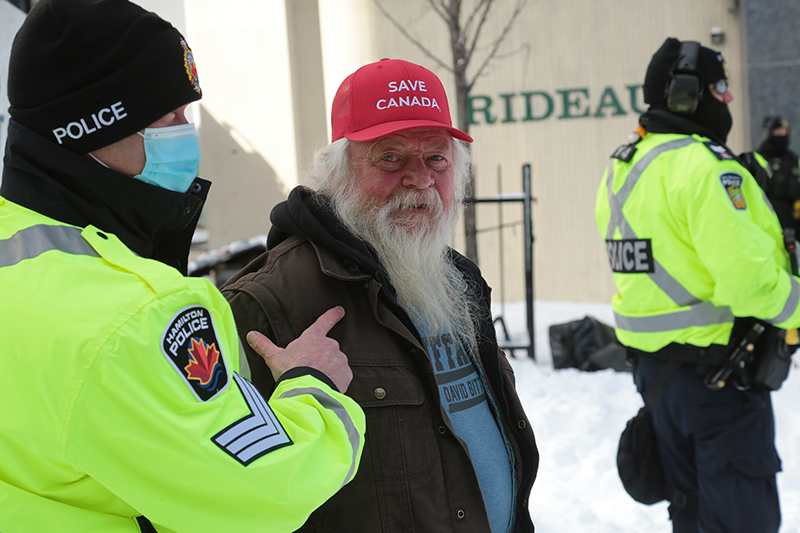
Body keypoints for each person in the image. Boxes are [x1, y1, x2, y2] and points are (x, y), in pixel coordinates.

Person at [0, 1, 365, 531]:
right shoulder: (135, 319)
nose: (186, 131)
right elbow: (262, 492)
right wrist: (312, 386)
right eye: (169, 116)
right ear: (92, 129)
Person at [221, 58, 539, 532]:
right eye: (391, 158)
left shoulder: (456, 280)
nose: (420, 178)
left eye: (437, 158)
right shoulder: (267, 303)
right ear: (337, 173)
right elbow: (234, 499)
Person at [595, 37, 800, 532]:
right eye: (720, 86)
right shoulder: (706, 168)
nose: (728, 98)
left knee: (689, 509)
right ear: (689, 94)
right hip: (718, 381)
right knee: (740, 520)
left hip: (658, 376)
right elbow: (750, 285)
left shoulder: (623, 169)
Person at [755, 116, 800, 234]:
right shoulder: (757, 159)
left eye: (784, 132)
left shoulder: (794, 160)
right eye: (777, 132)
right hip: (766, 219)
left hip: (793, 221)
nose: (782, 135)